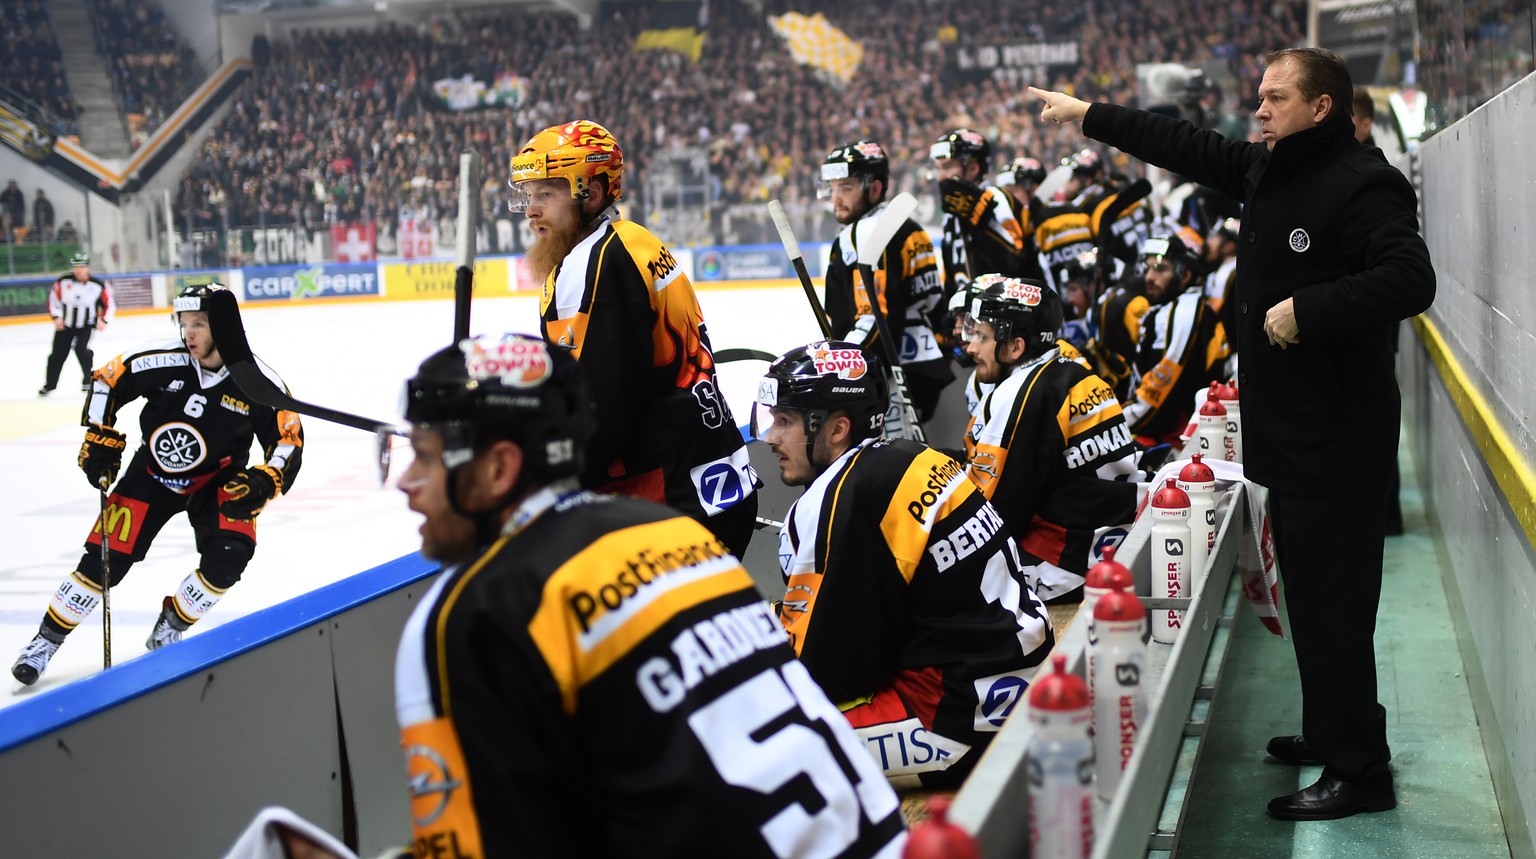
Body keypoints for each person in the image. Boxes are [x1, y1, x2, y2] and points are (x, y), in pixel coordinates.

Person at [1030, 45, 1436, 820]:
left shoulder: (1363, 182)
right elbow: (1181, 145)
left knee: (1335, 608)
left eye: (1275, 98)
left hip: (1337, 442)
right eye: (1259, 97)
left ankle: (1361, 770)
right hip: (1292, 438)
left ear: (1321, 107)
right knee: (1314, 602)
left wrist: (1306, 309)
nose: (1258, 110)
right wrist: (1088, 116)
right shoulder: (1266, 166)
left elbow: (1411, 278)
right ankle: (1331, 732)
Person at [390, 333, 907, 856]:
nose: (406, 481)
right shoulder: (678, 534)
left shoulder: (472, 611)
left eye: (424, 457)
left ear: (499, 469)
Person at [755, 340, 1054, 788]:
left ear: (836, 429)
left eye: (785, 422)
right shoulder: (917, 456)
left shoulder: (841, 497)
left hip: (954, 717)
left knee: (755, 748)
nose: (770, 438)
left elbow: (825, 672)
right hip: (1020, 675)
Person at [12, 282, 304, 686]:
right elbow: (105, 382)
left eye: (199, 324)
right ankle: (45, 641)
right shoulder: (159, 359)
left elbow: (287, 439)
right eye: (184, 323)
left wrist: (265, 479)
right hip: (150, 474)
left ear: (224, 326)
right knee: (102, 561)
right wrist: (99, 435)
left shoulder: (257, 382)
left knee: (228, 559)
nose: (189, 333)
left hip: (218, 482)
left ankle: (171, 624)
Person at [511, 120, 759, 558]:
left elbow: (601, 412)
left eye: (546, 194)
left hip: (669, 502)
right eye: (529, 196)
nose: (531, 211)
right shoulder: (635, 240)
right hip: (716, 477)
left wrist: (533, 471)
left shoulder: (594, 265)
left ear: (592, 191)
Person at [959, 278, 1140, 603]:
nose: (971, 348)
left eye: (981, 337)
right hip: (1120, 537)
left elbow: (993, 511)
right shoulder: (1074, 369)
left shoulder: (1022, 392)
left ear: (1015, 347)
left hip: (1072, 564)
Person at [819, 139, 952, 423]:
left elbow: (875, 319)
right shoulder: (908, 226)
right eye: (832, 189)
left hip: (890, 377)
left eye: (846, 188)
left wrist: (838, 365)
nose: (835, 199)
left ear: (875, 188)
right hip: (923, 364)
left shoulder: (867, 231)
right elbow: (932, 302)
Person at [1122, 234, 1229, 445]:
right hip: (1181, 430)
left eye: (1160, 269)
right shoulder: (1182, 306)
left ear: (1185, 275)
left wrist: (1114, 424)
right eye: (1148, 268)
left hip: (1179, 439)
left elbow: (1161, 392)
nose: (1149, 277)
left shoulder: (1183, 311)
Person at [929, 129, 1027, 311]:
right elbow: (952, 272)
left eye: (948, 167)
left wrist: (979, 220)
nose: (941, 176)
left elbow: (1016, 259)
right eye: (938, 168)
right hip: (968, 317)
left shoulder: (995, 198)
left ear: (974, 168)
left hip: (1001, 314)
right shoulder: (951, 216)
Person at [40, 251, 113, 396]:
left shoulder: (97, 285)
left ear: (87, 267)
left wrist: (104, 320)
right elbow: (53, 299)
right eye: (76, 266)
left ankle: (88, 380)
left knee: (82, 350)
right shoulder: (63, 281)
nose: (79, 270)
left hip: (86, 325)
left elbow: (109, 304)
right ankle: (50, 385)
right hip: (65, 325)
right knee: (57, 355)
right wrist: (56, 317)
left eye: (82, 266)